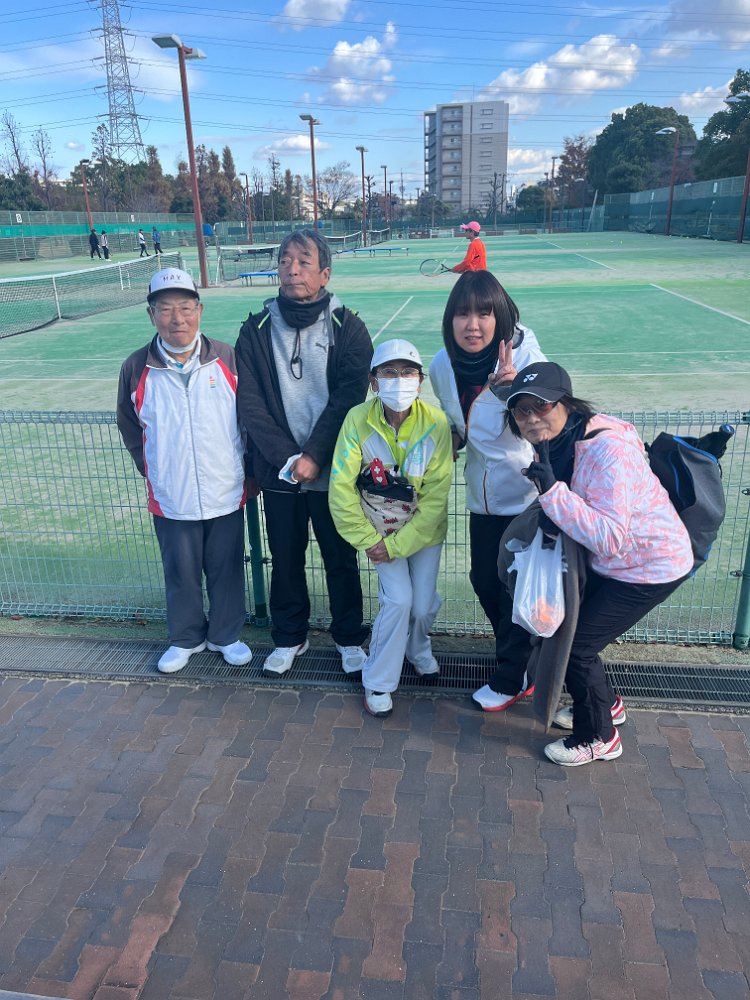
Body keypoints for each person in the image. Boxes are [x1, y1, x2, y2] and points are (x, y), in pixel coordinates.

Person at [505, 361, 693, 766]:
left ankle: (598, 736)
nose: (532, 417)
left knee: (577, 647)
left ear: (567, 404)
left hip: (649, 565)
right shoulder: (558, 438)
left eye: (542, 405)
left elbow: (610, 539)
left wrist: (552, 493)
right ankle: (608, 705)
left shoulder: (607, 451)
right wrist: (503, 387)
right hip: (622, 563)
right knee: (580, 635)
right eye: (522, 410)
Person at [235, 229, 372, 677]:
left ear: (325, 273)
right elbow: (250, 403)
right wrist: (289, 460)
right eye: (285, 260)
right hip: (280, 472)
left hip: (335, 472)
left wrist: (314, 455)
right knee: (286, 558)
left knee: (340, 559)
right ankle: (289, 636)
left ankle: (349, 637)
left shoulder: (349, 327)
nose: (292, 269)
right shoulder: (254, 331)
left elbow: (349, 399)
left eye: (303, 261)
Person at [117, 267, 252, 675]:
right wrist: (153, 470)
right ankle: (185, 638)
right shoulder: (135, 367)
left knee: (227, 569)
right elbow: (130, 425)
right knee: (180, 572)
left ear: (200, 310)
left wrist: (247, 474)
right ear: (151, 315)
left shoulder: (227, 358)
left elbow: (249, 420)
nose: (177, 318)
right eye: (165, 309)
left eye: (186, 307)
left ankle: (226, 635)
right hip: (171, 494)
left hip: (225, 488)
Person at [429, 270, 546, 711]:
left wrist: (514, 396)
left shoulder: (526, 359)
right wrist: (449, 440)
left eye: (484, 313)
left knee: (517, 587)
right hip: (481, 498)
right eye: (463, 314)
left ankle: (511, 675)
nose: (473, 325)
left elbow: (547, 428)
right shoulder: (442, 365)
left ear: (500, 317)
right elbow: (459, 424)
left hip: (527, 497)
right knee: (484, 579)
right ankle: (524, 662)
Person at [329, 340, 453, 719]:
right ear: (373, 381)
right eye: (389, 372)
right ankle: (378, 680)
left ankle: (417, 649)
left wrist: (398, 545)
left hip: (423, 533)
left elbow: (436, 498)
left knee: (422, 604)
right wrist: (369, 540)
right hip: (379, 533)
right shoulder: (356, 420)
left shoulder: (436, 423)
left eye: (408, 372)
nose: (399, 380)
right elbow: (340, 488)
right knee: (398, 600)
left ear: (420, 382)